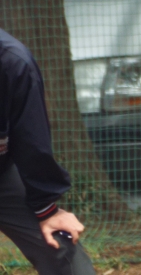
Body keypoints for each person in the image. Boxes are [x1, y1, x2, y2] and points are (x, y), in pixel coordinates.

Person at [0, 28, 96, 275]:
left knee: (60, 248)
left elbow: (31, 139)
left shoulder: (13, 61)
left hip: (2, 175)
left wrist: (46, 209)